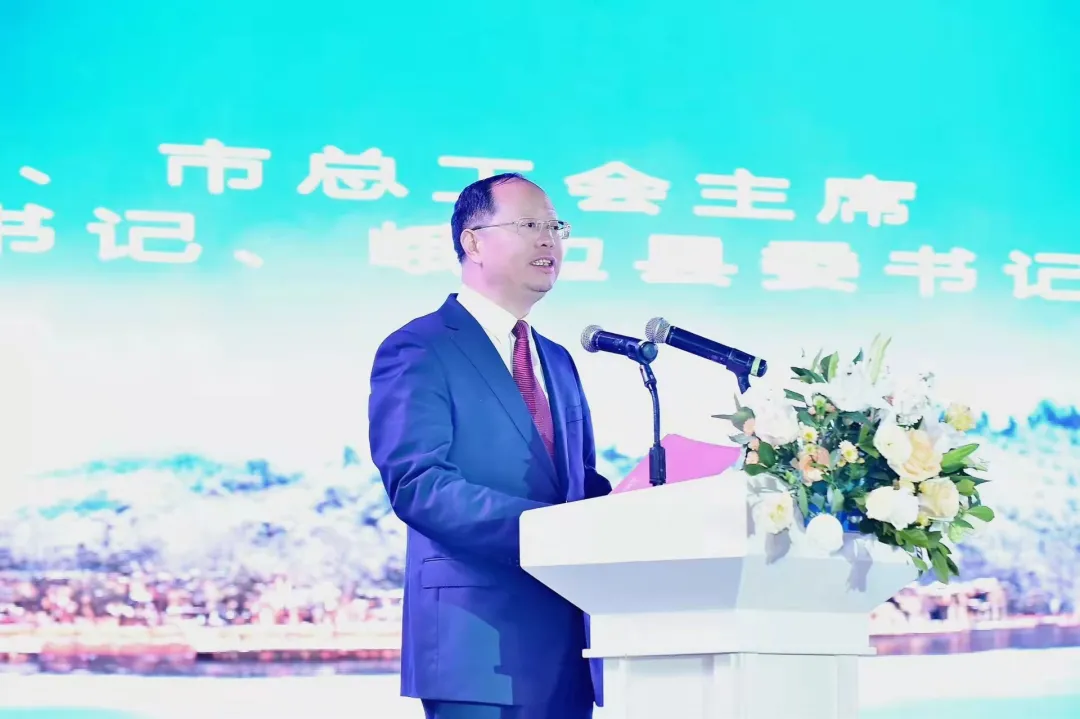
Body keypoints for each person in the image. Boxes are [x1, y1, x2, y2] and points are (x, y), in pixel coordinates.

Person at [368, 173, 612, 719]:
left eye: (556, 227)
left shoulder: (557, 359)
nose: (548, 239)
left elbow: (581, 482)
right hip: (475, 648)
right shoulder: (420, 347)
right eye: (529, 225)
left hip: (568, 652)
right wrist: (544, 531)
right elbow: (418, 485)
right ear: (472, 242)